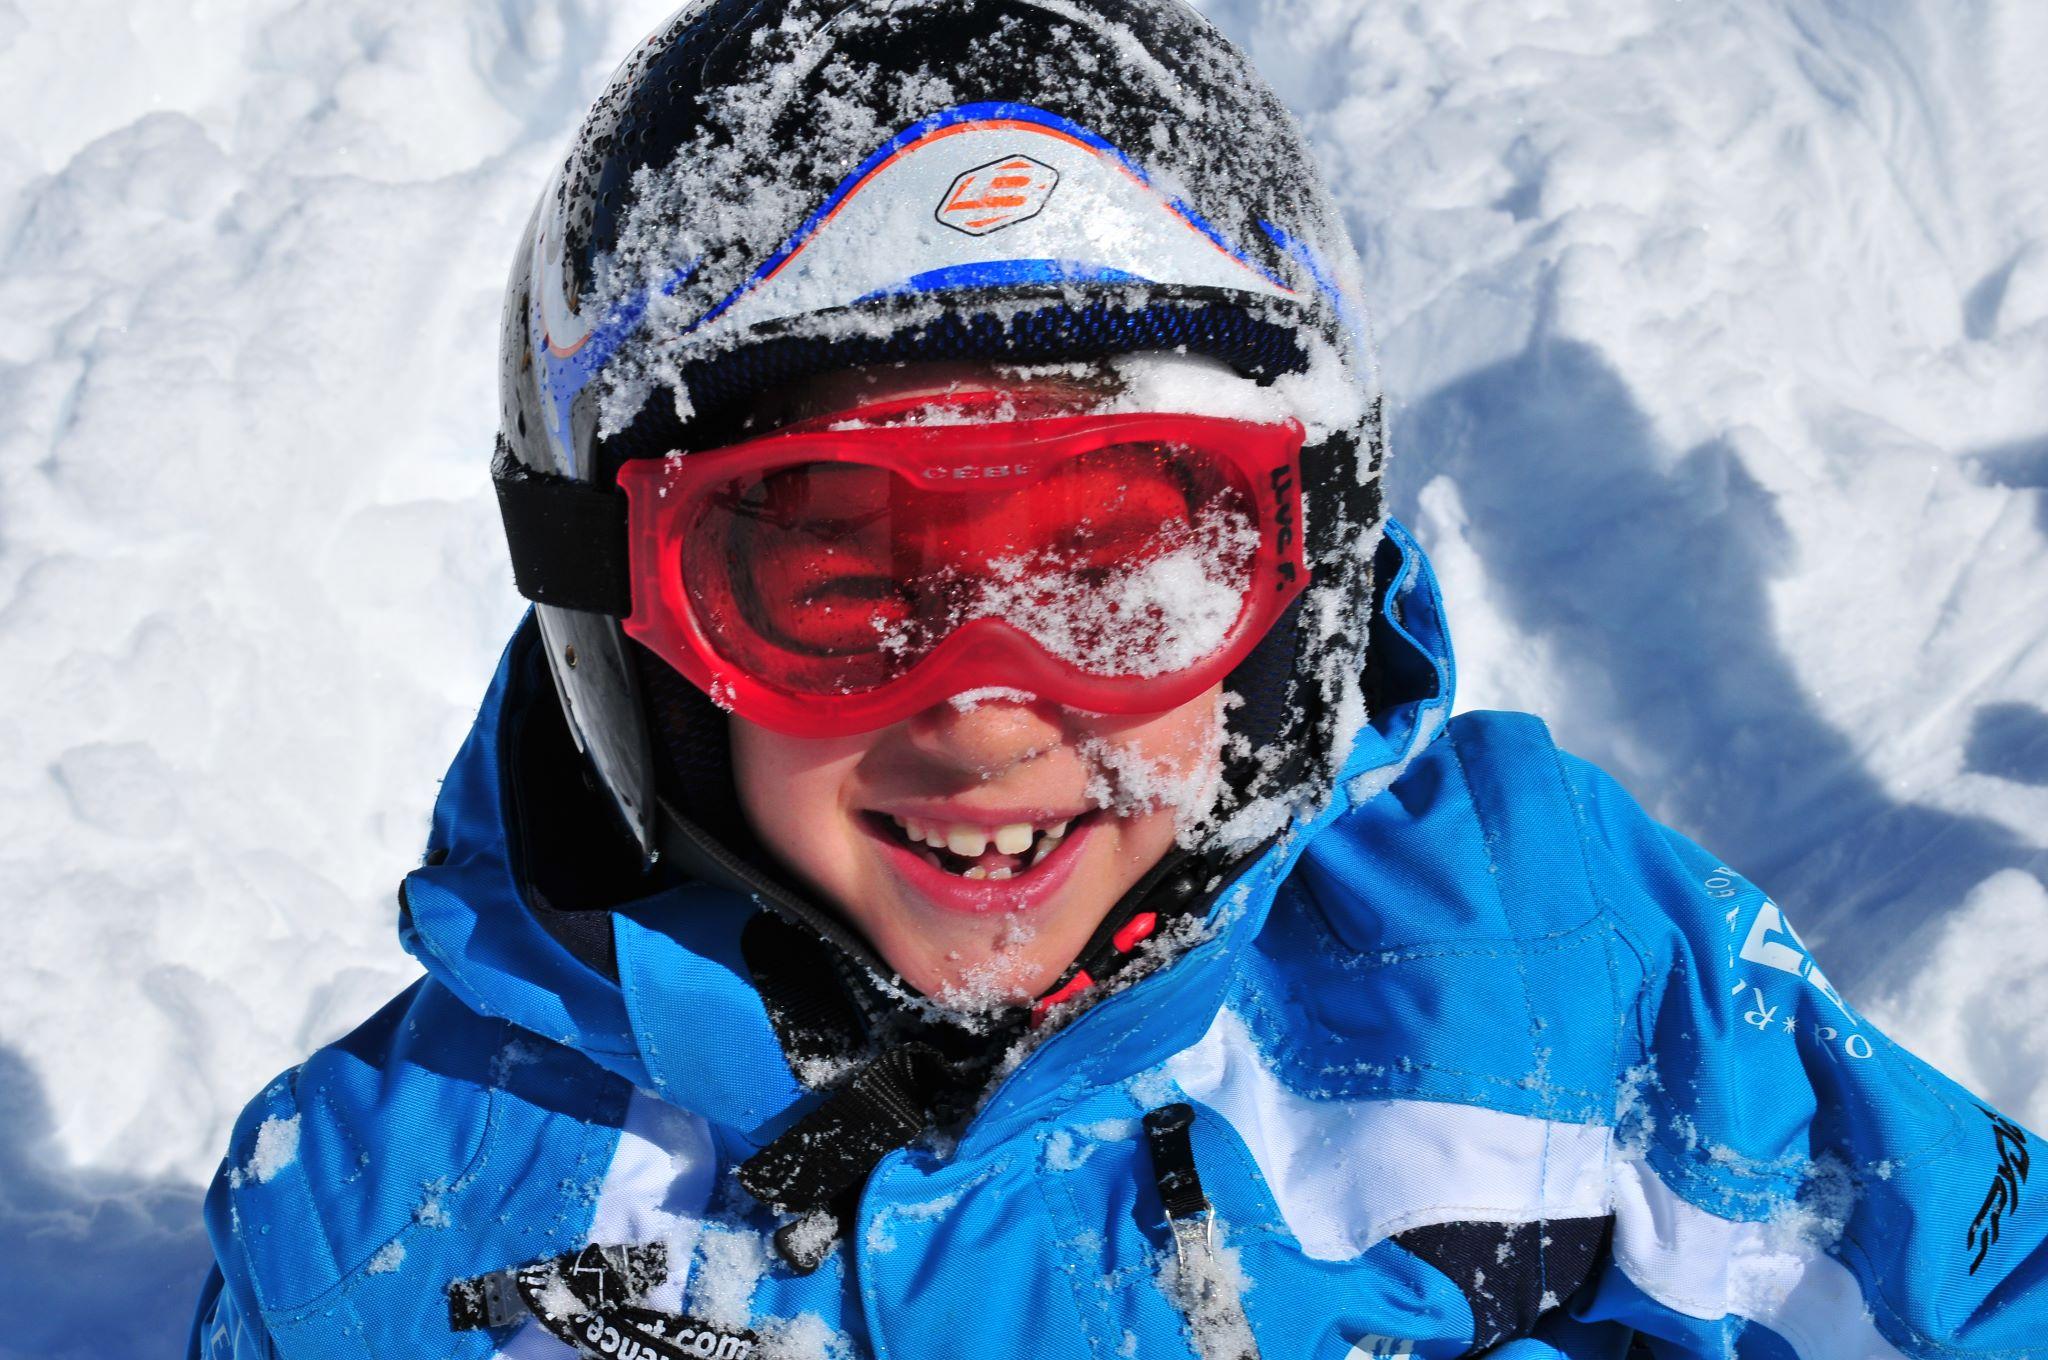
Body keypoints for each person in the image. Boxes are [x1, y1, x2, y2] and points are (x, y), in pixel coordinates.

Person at [191, 2, 2046, 1357]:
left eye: (1121, 567)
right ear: (632, 642)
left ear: (1298, 582)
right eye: (830, 575)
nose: (991, 707)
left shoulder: (1539, 977)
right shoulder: (403, 1219)